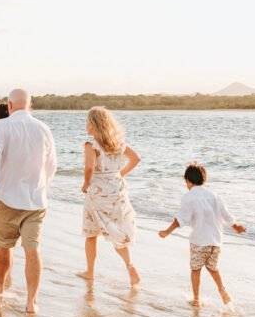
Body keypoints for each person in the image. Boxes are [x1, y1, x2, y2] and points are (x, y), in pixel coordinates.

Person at [0, 88, 56, 314]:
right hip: (36, 200)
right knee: (33, 250)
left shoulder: (0, 126)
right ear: (29, 105)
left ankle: (0, 285)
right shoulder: (44, 129)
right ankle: (32, 302)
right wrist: (42, 187)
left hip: (8, 197)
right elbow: (51, 166)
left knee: (4, 245)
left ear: (9, 106)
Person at [159, 163, 246, 306]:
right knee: (212, 267)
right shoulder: (215, 196)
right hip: (216, 241)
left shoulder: (188, 197)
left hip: (199, 240)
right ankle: (222, 290)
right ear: (203, 180)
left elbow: (181, 219)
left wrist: (167, 231)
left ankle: (197, 299)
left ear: (188, 181)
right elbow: (226, 215)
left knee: (195, 269)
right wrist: (236, 226)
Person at [76, 106, 142, 286]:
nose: (86, 125)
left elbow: (89, 168)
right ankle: (129, 266)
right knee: (117, 229)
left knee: (91, 233)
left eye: (88, 121)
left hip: (97, 191)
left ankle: (90, 272)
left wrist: (85, 183)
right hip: (116, 190)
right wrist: (120, 173)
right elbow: (136, 159)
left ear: (94, 124)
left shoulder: (92, 144)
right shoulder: (118, 143)